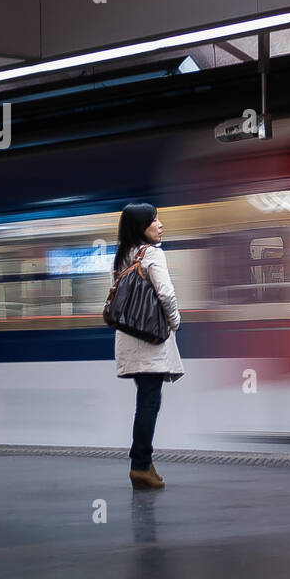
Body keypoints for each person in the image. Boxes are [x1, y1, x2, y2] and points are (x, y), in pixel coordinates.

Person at [113, 203, 184, 489]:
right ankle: (140, 464)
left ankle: (144, 463)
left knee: (145, 400)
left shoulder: (123, 257)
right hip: (151, 340)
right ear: (141, 226)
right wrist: (176, 322)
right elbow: (166, 293)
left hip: (130, 340)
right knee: (149, 402)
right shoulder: (152, 254)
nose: (160, 224)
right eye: (154, 220)